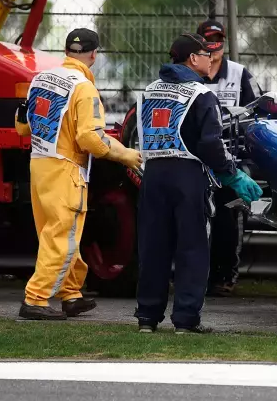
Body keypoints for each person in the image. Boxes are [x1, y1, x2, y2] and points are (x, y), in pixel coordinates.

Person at [134, 33, 263, 334]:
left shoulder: (151, 90)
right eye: (206, 54)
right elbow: (210, 144)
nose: (211, 59)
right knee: (192, 248)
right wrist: (232, 174)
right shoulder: (201, 94)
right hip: (187, 176)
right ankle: (186, 320)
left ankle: (147, 318)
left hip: (152, 175)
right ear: (193, 59)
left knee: (153, 247)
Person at [15, 28, 143, 320]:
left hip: (39, 165)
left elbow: (23, 127)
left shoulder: (41, 78)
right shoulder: (84, 88)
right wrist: (125, 154)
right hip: (66, 170)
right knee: (63, 237)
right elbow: (91, 140)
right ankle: (35, 298)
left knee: (54, 234)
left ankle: (71, 294)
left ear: (67, 51)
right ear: (94, 54)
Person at [195, 19, 261, 297]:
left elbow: (257, 115)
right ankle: (197, 274)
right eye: (208, 42)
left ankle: (224, 276)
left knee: (229, 216)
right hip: (195, 158)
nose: (214, 47)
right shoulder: (189, 74)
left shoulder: (241, 74)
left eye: (218, 41)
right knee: (195, 217)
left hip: (232, 160)